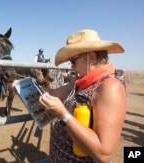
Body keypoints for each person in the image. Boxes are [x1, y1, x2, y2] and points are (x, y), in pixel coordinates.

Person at [35, 29, 126, 162]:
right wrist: (24, 86)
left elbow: (104, 154)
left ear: (92, 57)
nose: (72, 66)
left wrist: (63, 114)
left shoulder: (110, 87)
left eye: (73, 61)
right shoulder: (80, 82)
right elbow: (53, 93)